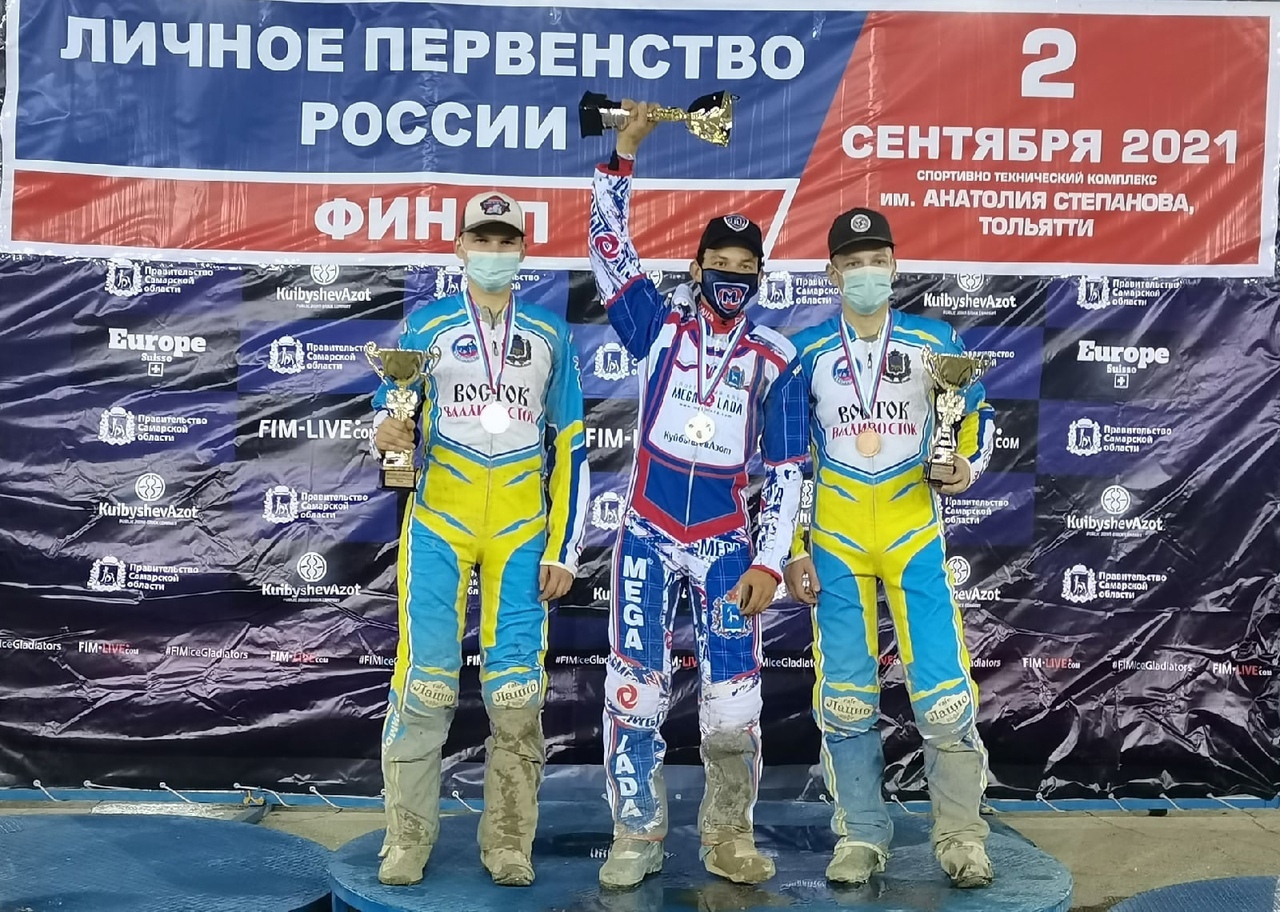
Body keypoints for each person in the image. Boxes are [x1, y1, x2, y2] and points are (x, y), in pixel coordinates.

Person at [588, 101, 806, 889]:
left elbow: (788, 471)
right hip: (646, 532)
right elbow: (608, 250)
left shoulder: (777, 357)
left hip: (726, 546)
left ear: (760, 277)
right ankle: (635, 836)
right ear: (697, 267)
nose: (732, 277)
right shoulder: (657, 326)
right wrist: (623, 154)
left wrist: (771, 563)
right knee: (634, 687)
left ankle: (728, 837)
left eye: (746, 268)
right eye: (720, 263)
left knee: (734, 702)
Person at [370, 191, 589, 888]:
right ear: (460, 248)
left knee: (518, 694)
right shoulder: (426, 325)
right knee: (426, 684)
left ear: (523, 251)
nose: (494, 252)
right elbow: (390, 418)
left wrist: (565, 548)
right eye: (483, 240)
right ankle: (406, 839)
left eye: (506, 241)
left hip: (522, 532)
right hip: (438, 522)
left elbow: (572, 446)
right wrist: (388, 432)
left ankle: (508, 843)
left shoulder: (550, 335)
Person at [781, 207, 996, 888]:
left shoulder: (937, 341)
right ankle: (861, 835)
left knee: (944, 690)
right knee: (844, 692)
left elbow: (978, 417)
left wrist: (964, 467)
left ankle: (961, 839)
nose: (867, 272)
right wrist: (794, 545)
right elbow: (787, 459)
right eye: (853, 263)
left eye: (877, 260)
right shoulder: (806, 351)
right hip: (837, 540)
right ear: (832, 272)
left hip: (914, 536)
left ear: (895, 266)